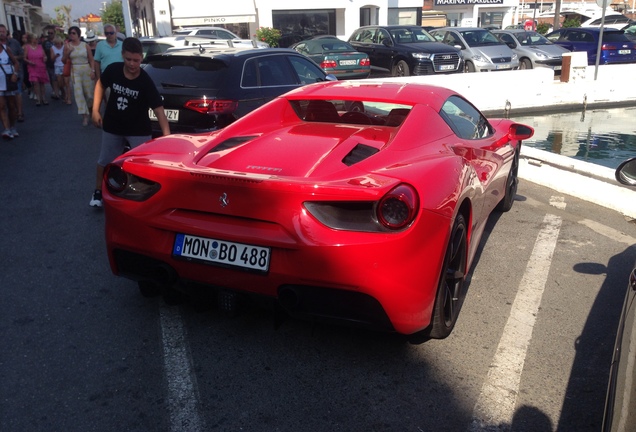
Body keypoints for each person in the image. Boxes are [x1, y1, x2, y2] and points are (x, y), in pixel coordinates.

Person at [89, 37, 170, 207]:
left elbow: (159, 109)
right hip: (113, 125)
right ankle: (98, 191)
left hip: (138, 129)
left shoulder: (145, 81)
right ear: (122, 55)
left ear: (142, 58)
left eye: (136, 60)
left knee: (145, 165)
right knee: (105, 160)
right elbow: (100, 85)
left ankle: (145, 195)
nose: (132, 64)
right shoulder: (113, 70)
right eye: (128, 59)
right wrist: (95, 110)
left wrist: (167, 137)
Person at [62, 26, 96, 126]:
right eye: (70, 33)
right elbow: (63, 61)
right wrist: (68, 53)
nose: (72, 35)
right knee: (78, 94)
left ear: (78, 34)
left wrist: (93, 70)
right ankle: (84, 115)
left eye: (74, 33)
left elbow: (91, 59)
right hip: (75, 70)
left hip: (86, 69)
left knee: (89, 95)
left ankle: (91, 110)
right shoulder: (67, 46)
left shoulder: (85, 45)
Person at [0, 24, 19, 139]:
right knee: (1, 106)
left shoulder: (7, 49)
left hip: (9, 80)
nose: (1, 33)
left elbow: (16, 63)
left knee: (11, 105)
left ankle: (12, 127)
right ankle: (6, 129)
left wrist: (15, 74)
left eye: (3, 31)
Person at [24, 33, 49, 106]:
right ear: (31, 39)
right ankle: (38, 98)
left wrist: (45, 58)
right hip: (32, 67)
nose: (36, 40)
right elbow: (24, 58)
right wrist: (29, 62)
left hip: (40, 66)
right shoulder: (27, 47)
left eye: (37, 39)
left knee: (42, 83)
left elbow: (44, 56)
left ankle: (44, 98)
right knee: (35, 83)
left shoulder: (40, 47)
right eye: (35, 38)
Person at [8, 30, 24, 122]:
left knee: (17, 92)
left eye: (2, 31)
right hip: (3, 74)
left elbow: (22, 55)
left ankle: (19, 113)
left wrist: (13, 58)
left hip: (15, 71)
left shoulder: (14, 43)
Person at [50, 36, 70, 104]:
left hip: (64, 65)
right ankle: (63, 92)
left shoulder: (64, 47)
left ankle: (67, 96)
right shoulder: (52, 48)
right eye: (56, 43)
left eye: (59, 43)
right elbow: (52, 59)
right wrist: (56, 56)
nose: (58, 45)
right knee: (59, 83)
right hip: (57, 66)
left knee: (66, 82)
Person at [42, 25, 58, 100]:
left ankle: (59, 89)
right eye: (49, 33)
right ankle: (54, 90)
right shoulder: (45, 43)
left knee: (58, 77)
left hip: (58, 62)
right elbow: (43, 52)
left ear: (54, 33)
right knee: (52, 77)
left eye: (51, 33)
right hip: (49, 63)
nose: (50, 34)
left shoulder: (58, 41)